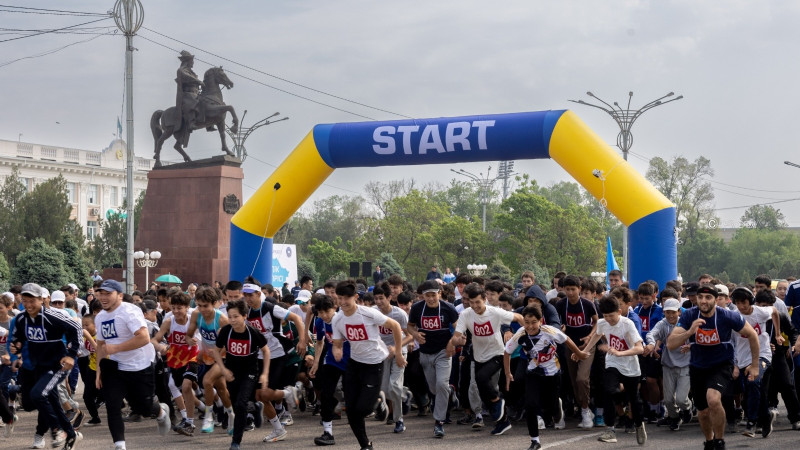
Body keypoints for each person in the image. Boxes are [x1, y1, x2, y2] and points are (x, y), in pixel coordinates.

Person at [667, 283, 761, 450]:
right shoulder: (689, 315)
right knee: (702, 412)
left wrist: (754, 365)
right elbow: (670, 344)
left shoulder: (727, 316)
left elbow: (752, 335)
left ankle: (720, 440)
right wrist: (690, 332)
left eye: (708, 297)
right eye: (700, 297)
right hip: (698, 367)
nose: (703, 301)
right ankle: (709, 441)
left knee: (714, 400)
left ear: (716, 300)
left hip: (721, 365)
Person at [93, 279, 171, 450]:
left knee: (143, 407)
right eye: (101, 293)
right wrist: (98, 370)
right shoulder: (100, 317)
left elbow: (143, 338)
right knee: (112, 405)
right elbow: (100, 345)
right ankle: (120, 446)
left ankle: (160, 411)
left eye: (108, 294)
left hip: (139, 365)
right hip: (114, 367)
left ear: (119, 295)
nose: (103, 297)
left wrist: (116, 348)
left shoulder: (129, 311)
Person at [331, 279, 406, 450]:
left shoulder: (368, 313)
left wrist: (399, 352)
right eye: (339, 298)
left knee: (362, 409)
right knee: (350, 410)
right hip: (354, 364)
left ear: (356, 297)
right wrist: (337, 349)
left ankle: (379, 399)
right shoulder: (338, 318)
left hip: (374, 363)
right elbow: (337, 342)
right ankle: (365, 445)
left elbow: (395, 326)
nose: (342, 302)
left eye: (346, 299)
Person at [10, 283, 83, 450]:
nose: (28, 305)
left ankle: (57, 430)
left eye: (32, 301)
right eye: (25, 300)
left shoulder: (53, 317)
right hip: (38, 367)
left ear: (41, 300)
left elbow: (77, 327)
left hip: (58, 366)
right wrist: (17, 347)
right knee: (43, 401)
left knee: (39, 394)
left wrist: (72, 355)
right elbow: (18, 338)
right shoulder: (21, 319)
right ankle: (71, 434)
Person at [504, 303, 587, 450]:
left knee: (550, 406)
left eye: (534, 322)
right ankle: (534, 440)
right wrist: (507, 373)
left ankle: (557, 406)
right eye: (527, 322)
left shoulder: (549, 331)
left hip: (553, 373)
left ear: (541, 321)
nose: (530, 326)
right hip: (533, 372)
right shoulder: (521, 334)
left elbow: (566, 340)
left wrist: (579, 354)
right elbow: (507, 351)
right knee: (531, 405)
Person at [448, 282, 524, 435]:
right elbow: (457, 336)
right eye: (471, 302)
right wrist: (456, 341)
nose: (475, 305)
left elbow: (519, 317)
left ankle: (499, 402)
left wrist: (529, 338)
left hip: (497, 353)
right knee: (482, 391)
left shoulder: (495, 312)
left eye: (478, 302)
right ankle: (503, 423)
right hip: (478, 356)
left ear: (484, 299)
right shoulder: (466, 314)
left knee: (481, 377)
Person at [581, 295, 647, 445]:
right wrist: (584, 351)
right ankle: (610, 429)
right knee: (609, 391)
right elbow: (596, 335)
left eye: (611, 316)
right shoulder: (603, 323)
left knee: (634, 401)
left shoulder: (628, 324)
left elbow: (639, 348)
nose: (609, 319)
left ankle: (638, 424)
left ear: (619, 311)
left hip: (630, 365)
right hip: (613, 363)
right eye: (605, 316)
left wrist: (620, 352)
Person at [212, 299, 269, 450]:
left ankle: (236, 441)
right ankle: (255, 407)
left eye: (236, 316)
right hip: (232, 372)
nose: (232, 320)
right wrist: (223, 370)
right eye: (230, 317)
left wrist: (265, 374)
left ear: (244, 316)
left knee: (240, 403)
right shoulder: (226, 331)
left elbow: (266, 351)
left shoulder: (253, 333)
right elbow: (215, 351)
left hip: (250, 373)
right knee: (238, 406)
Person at [407, 280, 459, 438]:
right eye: (427, 296)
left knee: (441, 383)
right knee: (435, 389)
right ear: (422, 296)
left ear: (440, 294)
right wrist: (415, 335)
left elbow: (459, 329)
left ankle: (439, 422)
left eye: (433, 295)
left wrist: (452, 343)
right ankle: (450, 392)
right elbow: (409, 326)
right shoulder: (416, 308)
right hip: (425, 354)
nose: (430, 299)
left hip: (444, 352)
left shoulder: (448, 308)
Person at [730, 286, 781, 438]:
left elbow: (775, 312)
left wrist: (777, 334)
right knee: (754, 389)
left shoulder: (760, 312)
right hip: (743, 358)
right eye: (737, 303)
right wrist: (735, 364)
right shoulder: (733, 316)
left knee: (753, 381)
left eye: (744, 302)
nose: (741, 306)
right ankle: (766, 418)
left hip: (762, 354)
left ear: (750, 301)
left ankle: (751, 423)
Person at [185, 286, 233, 434]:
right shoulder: (195, 314)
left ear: (214, 304)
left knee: (207, 381)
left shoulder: (222, 319)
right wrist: (190, 341)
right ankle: (232, 415)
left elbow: (231, 344)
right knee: (222, 389)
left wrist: (218, 351)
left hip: (222, 358)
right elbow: (188, 335)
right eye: (199, 305)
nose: (202, 309)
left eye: (206, 306)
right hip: (206, 357)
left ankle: (208, 417)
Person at [555, 275, 598, 428]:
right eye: (567, 289)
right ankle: (583, 407)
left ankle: (586, 411)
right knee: (574, 382)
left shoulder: (587, 304)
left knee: (582, 379)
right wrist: (561, 328)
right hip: (569, 345)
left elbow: (597, 323)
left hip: (587, 345)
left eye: (573, 289)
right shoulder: (560, 305)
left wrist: (590, 336)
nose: (571, 292)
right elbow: (556, 324)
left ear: (579, 289)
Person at [644, 298, 692, 431]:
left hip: (685, 364)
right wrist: (652, 344)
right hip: (668, 364)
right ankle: (675, 418)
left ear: (679, 312)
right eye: (667, 312)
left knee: (682, 399)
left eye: (673, 312)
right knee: (669, 399)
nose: (670, 315)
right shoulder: (662, 324)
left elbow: (697, 339)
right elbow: (651, 334)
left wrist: (690, 346)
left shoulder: (686, 323)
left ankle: (687, 408)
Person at [309, 294, 349, 446]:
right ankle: (328, 433)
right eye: (320, 312)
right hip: (332, 361)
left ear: (335, 308)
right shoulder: (320, 322)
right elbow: (320, 342)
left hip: (350, 362)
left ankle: (378, 401)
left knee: (352, 396)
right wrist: (316, 363)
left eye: (327, 311)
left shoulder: (344, 320)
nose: (324, 315)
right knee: (325, 394)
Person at [372, 285, 412, 432]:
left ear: (389, 298)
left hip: (399, 351)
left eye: (381, 298)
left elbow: (409, 335)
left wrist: (397, 349)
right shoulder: (373, 312)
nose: (378, 301)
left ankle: (399, 420)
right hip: (382, 353)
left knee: (394, 385)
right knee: (383, 389)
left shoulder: (399, 314)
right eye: (376, 298)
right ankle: (405, 394)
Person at [175, 50, 205, 136]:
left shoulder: (191, 71)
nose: (193, 63)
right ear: (187, 61)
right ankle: (191, 123)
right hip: (187, 94)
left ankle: (208, 124)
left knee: (205, 100)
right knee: (194, 102)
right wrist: (199, 82)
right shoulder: (181, 70)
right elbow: (187, 77)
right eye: (192, 61)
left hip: (194, 93)